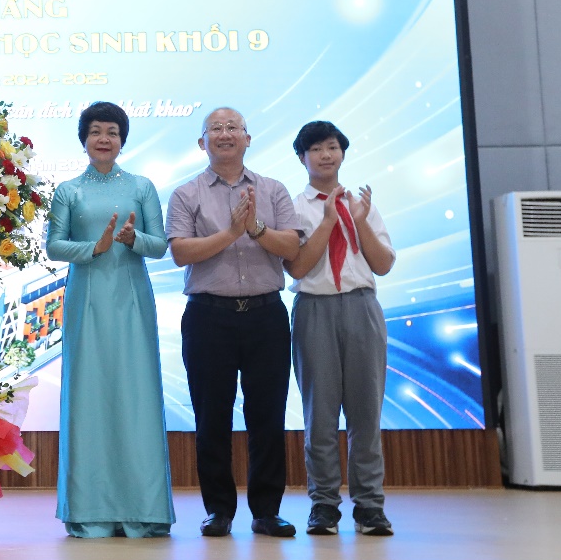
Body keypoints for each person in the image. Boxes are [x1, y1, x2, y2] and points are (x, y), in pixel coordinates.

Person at [166, 107, 303, 538]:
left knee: (268, 416)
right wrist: (230, 233)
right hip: (209, 317)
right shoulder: (186, 193)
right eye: (216, 129)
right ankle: (219, 511)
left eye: (233, 128)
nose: (225, 134)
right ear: (202, 142)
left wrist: (255, 227)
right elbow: (181, 252)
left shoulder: (273, 189)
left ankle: (266, 511)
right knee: (212, 418)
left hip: (266, 315)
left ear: (247, 138)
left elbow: (291, 249)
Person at [45, 102, 175, 537]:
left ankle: (144, 511)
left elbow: (160, 245)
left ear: (122, 140)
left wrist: (133, 238)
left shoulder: (141, 186)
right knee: (90, 396)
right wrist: (94, 248)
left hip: (131, 299)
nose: (104, 138)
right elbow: (54, 246)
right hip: (87, 300)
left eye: (113, 132)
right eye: (96, 131)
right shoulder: (68, 191)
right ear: (84, 139)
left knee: (136, 395)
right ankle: (91, 512)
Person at [285, 121, 396, 537]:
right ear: (302, 158)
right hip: (314, 309)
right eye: (316, 149)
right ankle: (324, 505)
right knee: (320, 414)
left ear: (343, 154)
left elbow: (382, 264)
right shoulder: (294, 207)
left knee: (366, 412)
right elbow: (296, 267)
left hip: (362, 308)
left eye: (332, 147)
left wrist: (359, 220)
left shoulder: (362, 204)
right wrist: (329, 221)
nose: (325, 155)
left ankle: (369, 506)